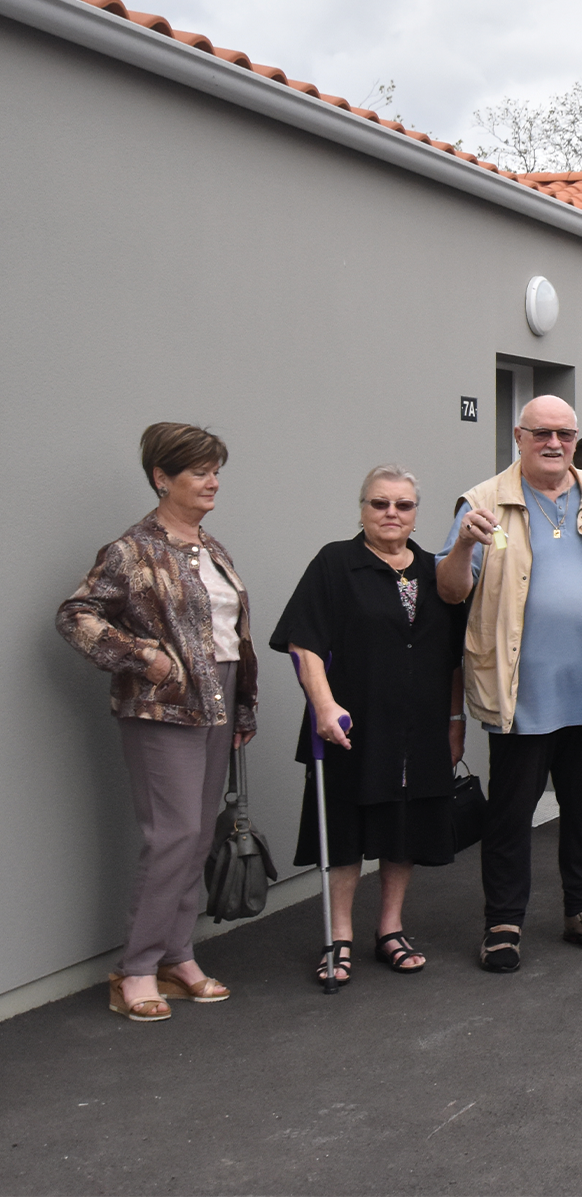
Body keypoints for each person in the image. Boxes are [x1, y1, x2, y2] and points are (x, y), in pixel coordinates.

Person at [436, 395, 582, 972]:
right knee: (510, 815)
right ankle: (503, 923)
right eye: (542, 434)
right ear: (518, 437)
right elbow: (451, 591)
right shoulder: (480, 502)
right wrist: (462, 545)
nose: (554, 444)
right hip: (520, 692)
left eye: (565, 434)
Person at [57, 423, 256, 1021]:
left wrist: (243, 703)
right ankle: (135, 969)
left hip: (217, 699)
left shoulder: (213, 547)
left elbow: (231, 636)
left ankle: (176, 955)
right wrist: (142, 656)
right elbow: (75, 616)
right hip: (163, 705)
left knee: (195, 835)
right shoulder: (133, 549)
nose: (212, 481)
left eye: (216, 470)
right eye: (198, 471)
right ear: (161, 478)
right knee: (169, 835)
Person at [272, 465, 468, 982]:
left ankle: (390, 928)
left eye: (403, 506)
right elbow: (303, 641)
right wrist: (322, 705)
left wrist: (454, 720)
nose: (391, 514)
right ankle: (339, 936)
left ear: (415, 514)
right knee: (346, 829)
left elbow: (452, 657)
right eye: (380, 504)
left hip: (419, 724)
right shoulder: (336, 562)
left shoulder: (434, 569)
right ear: (362, 508)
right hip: (352, 722)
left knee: (402, 827)